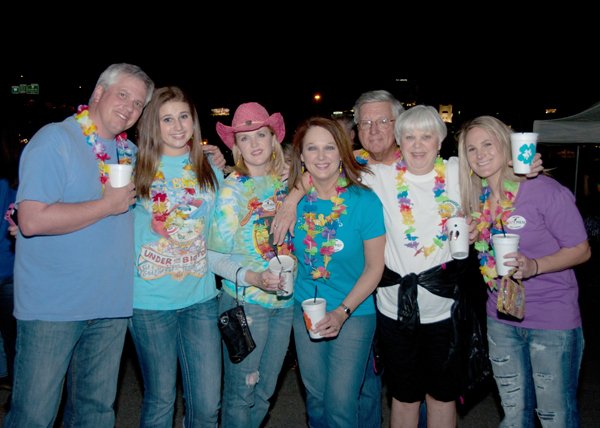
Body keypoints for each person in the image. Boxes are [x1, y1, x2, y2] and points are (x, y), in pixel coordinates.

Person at [5, 63, 154, 427]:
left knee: (95, 413)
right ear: (99, 93)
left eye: (137, 103)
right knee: (34, 415)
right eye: (123, 95)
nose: (129, 108)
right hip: (52, 308)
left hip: (110, 307)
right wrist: (107, 204)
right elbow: (32, 220)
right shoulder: (55, 140)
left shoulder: (130, 153)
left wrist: (212, 159)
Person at [457, 115, 591, 427]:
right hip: (501, 319)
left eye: (488, 144)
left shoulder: (544, 190)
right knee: (514, 414)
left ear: (506, 146)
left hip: (552, 319)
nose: (481, 154)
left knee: (554, 416)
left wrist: (534, 266)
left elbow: (582, 250)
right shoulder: (475, 201)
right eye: (472, 149)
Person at [128, 86, 228, 427]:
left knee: (207, 403)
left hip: (199, 298)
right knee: (160, 400)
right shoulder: (134, 166)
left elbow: (221, 231)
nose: (177, 125)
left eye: (183, 116)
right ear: (153, 124)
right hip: (149, 302)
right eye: (166, 118)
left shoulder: (209, 169)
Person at [287, 116, 386, 427]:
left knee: (341, 404)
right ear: (301, 156)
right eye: (312, 148)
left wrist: (343, 311)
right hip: (305, 308)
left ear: (343, 151)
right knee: (316, 398)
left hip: (354, 311)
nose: (321, 157)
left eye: (329, 148)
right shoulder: (294, 202)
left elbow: (375, 267)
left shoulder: (365, 201)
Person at [208, 102, 295, 428]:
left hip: (284, 302)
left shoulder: (286, 184)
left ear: (274, 140)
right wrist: (253, 277)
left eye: (262, 135)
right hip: (245, 303)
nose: (255, 143)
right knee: (241, 393)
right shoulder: (231, 192)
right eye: (246, 138)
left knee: (265, 391)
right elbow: (212, 255)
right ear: (236, 146)